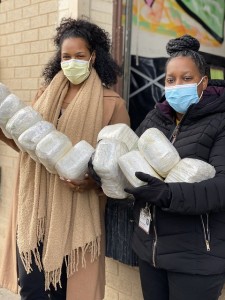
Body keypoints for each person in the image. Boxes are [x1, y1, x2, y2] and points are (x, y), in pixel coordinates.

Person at [0, 17, 130, 300]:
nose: (72, 61)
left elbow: (119, 167)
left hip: (76, 217)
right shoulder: (45, 95)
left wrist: (90, 182)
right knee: (32, 290)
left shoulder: (112, 103)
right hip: (35, 211)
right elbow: (27, 145)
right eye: (66, 56)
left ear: (93, 56)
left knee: (65, 293)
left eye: (79, 56)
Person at [125, 34, 225, 300]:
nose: (177, 85)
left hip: (197, 258)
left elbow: (221, 187)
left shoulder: (220, 121)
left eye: (187, 78)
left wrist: (168, 194)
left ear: (204, 81)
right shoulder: (157, 117)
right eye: (171, 80)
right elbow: (129, 157)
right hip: (152, 252)